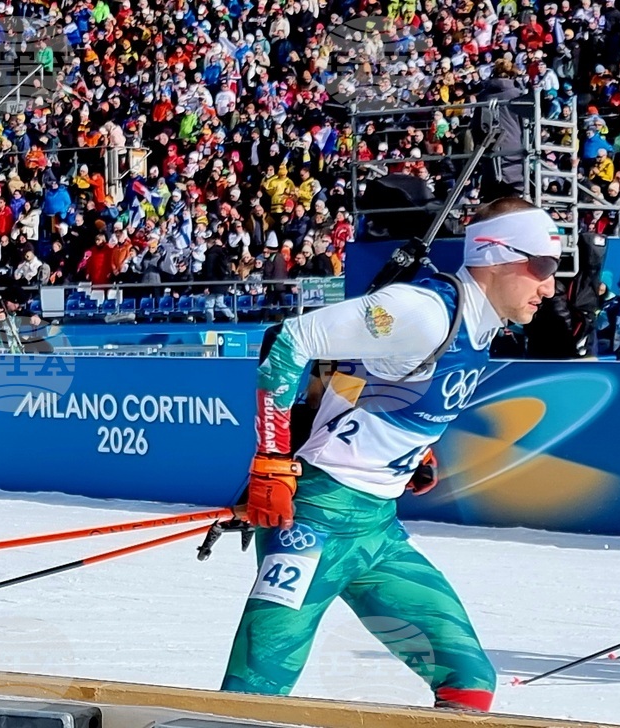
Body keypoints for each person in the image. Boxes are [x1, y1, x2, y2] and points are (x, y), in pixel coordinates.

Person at [221, 197, 561, 711]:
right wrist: (271, 459)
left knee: (467, 678)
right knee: (252, 697)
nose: (550, 286)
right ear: (496, 255)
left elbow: (375, 382)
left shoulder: (484, 322)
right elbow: (291, 340)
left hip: (377, 530)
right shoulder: (421, 311)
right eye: (542, 267)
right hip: (314, 518)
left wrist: (412, 452)